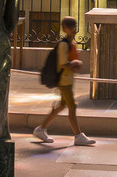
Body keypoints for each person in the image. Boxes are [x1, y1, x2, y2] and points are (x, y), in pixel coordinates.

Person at [32, 16, 95, 148]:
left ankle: (41, 129)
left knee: (61, 106)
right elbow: (62, 64)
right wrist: (75, 64)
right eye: (70, 26)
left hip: (68, 80)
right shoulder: (63, 45)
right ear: (64, 29)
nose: (73, 28)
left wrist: (74, 65)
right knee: (72, 106)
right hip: (63, 81)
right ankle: (78, 136)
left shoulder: (71, 44)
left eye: (74, 26)